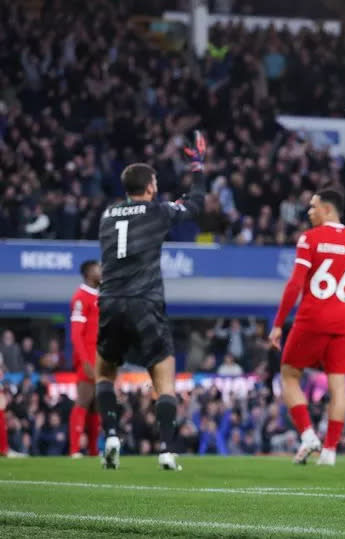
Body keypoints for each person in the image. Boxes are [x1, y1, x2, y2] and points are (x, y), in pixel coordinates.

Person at [95, 131, 209, 471]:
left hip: (110, 301)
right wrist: (198, 167)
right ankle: (166, 450)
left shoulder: (107, 214)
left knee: (105, 374)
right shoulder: (157, 211)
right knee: (164, 378)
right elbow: (196, 204)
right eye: (155, 182)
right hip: (145, 301)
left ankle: (112, 436)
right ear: (149, 186)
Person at [269, 189, 345, 466]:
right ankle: (330, 451)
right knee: (339, 387)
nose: (308, 212)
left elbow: (295, 284)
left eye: (312, 207)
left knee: (289, 375)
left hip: (311, 317)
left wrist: (278, 325)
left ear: (327, 209)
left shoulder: (310, 239)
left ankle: (308, 434)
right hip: (342, 322)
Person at [68, 259, 102, 458]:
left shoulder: (99, 296)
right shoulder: (81, 297)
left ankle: (92, 450)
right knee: (83, 400)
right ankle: (74, 450)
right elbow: (76, 335)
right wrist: (85, 362)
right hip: (87, 361)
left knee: (96, 404)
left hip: (100, 360)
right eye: (98, 269)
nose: (101, 272)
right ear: (89, 274)